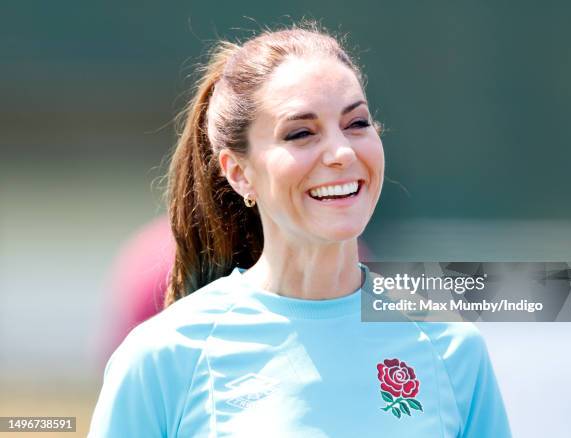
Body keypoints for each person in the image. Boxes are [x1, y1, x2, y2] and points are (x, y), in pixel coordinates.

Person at [88, 22, 512, 437]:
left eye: (357, 123)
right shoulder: (164, 357)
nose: (342, 152)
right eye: (301, 133)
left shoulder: (450, 345)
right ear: (239, 173)